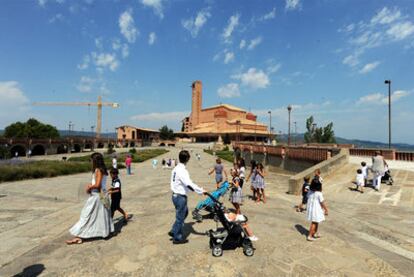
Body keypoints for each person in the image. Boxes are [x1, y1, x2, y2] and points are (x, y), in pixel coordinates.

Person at [66, 153, 114, 244]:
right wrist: (92, 186)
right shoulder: (102, 170)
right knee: (101, 215)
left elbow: (98, 184)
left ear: (95, 161)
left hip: (97, 195)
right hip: (102, 194)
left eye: (91, 160)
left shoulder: (98, 170)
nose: (91, 162)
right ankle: (104, 232)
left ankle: (79, 236)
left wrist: (89, 187)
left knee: (86, 215)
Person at [169, 150, 206, 244]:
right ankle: (177, 238)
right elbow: (188, 184)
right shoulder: (182, 170)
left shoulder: (176, 168)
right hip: (180, 197)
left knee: (184, 213)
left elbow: (183, 183)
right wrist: (201, 191)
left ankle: (174, 230)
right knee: (180, 217)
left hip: (175, 195)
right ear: (187, 159)